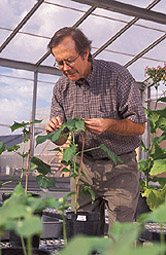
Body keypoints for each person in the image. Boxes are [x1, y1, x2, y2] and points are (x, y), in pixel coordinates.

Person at [45, 27, 146, 235]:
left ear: (86, 53)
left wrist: (110, 124)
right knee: (82, 233)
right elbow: (60, 138)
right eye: (59, 63)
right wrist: (56, 131)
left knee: (121, 237)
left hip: (119, 167)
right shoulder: (61, 88)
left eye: (70, 60)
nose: (65, 67)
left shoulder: (117, 76)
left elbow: (139, 126)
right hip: (83, 167)